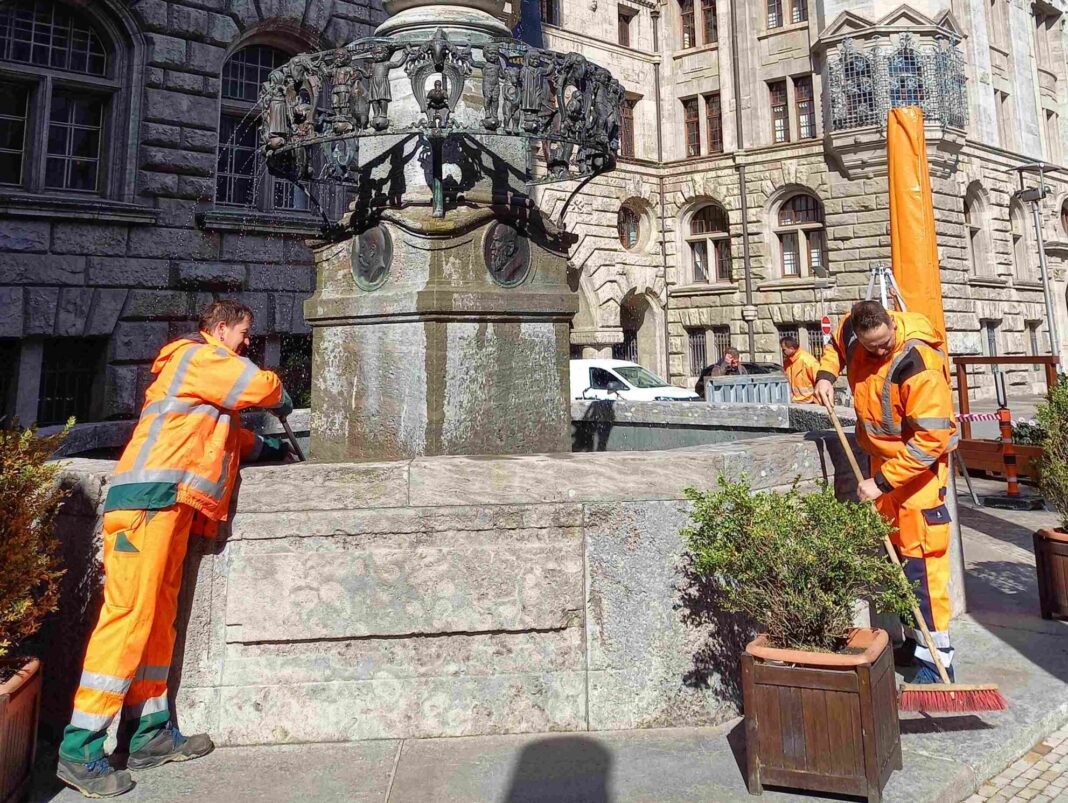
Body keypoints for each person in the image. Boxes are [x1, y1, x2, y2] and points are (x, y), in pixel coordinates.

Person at [57, 301, 295, 798]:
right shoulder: (195, 355)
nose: (247, 341)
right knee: (129, 617)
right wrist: (280, 394)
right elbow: (259, 386)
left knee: (157, 619)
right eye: (244, 332)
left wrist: (267, 449)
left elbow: (216, 437)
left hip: (167, 507)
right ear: (220, 328)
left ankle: (149, 733)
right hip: (146, 504)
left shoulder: (205, 381)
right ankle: (80, 748)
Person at [814, 300, 957, 683]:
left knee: (922, 563)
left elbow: (929, 443)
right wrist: (826, 376)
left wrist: (879, 483)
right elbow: (835, 350)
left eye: (884, 343)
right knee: (896, 563)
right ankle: (914, 641)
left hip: (918, 474)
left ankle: (938, 660)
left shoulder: (917, 364)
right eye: (871, 346)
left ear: (892, 324)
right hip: (884, 465)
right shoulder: (852, 331)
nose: (879, 351)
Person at [779, 336, 820, 404]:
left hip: (810, 402)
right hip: (795, 401)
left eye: (784, 350)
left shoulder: (808, 361)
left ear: (791, 349)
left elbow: (819, 382)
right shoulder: (787, 362)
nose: (782, 352)